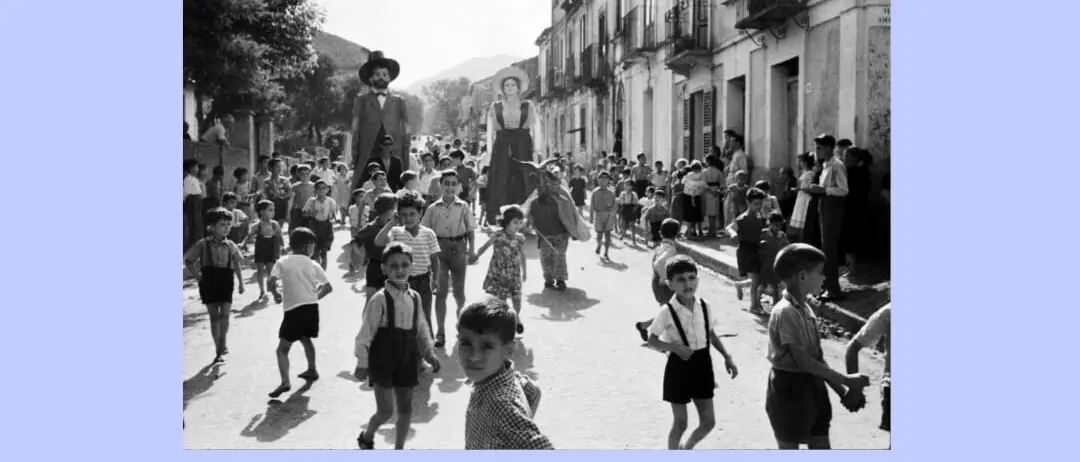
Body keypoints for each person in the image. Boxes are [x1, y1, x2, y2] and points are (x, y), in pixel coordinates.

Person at [765, 243, 870, 449]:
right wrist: (846, 379)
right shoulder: (786, 312)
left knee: (821, 443)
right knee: (789, 447)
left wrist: (842, 391)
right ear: (802, 277)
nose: (824, 278)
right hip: (789, 390)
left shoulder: (805, 308)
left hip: (813, 387)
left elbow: (817, 359)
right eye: (820, 273)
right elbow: (804, 362)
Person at [354, 243, 441, 450]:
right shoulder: (379, 300)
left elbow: (421, 326)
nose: (400, 270)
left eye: (404, 265)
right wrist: (362, 361)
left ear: (411, 266)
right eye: (393, 266)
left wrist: (429, 352)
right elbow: (366, 332)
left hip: (407, 359)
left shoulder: (415, 297)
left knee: (405, 408)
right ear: (384, 268)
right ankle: (367, 436)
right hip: (383, 359)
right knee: (385, 411)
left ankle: (399, 448)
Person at [646, 256, 739, 450]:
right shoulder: (667, 311)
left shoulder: (705, 306)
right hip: (678, 368)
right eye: (680, 280)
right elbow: (651, 339)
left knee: (708, 421)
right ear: (670, 284)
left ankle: (686, 449)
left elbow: (711, 334)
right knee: (680, 423)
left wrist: (727, 357)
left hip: (702, 365)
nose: (688, 284)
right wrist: (674, 348)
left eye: (691, 278)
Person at [458, 300, 552, 449]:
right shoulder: (500, 379)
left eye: (487, 346)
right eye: (466, 343)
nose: (474, 356)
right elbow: (534, 391)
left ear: (508, 350)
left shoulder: (502, 406)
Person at [266, 227, 332, 398]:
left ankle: (285, 382)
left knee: (282, 349)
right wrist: (314, 297)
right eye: (313, 246)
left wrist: (276, 294)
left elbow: (271, 282)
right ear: (307, 245)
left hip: (293, 310)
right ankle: (312, 369)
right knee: (306, 338)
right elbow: (328, 287)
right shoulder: (312, 263)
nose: (314, 250)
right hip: (311, 308)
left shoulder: (283, 261)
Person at [420, 170, 477, 348]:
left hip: (459, 248)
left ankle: (462, 329)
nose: (450, 187)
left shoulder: (464, 207)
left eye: (454, 184)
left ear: (458, 186)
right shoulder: (432, 208)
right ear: (440, 185)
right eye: (447, 183)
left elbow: (470, 229)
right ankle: (441, 332)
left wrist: (472, 249)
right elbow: (424, 232)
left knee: (459, 294)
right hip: (439, 251)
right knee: (441, 292)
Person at [375, 191, 441, 339]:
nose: (408, 218)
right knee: (403, 317)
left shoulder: (428, 233)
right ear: (398, 215)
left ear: (420, 213)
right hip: (402, 283)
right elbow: (378, 241)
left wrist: (436, 279)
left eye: (412, 214)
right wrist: (391, 222)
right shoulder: (396, 232)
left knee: (424, 315)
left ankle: (427, 349)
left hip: (423, 281)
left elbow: (435, 258)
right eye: (403, 215)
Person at [183, 208, 245, 364]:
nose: (226, 228)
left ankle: (222, 343)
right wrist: (197, 276)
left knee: (225, 314)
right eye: (222, 224)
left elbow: (238, 261)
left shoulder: (230, 244)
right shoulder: (202, 244)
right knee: (214, 316)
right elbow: (189, 260)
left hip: (226, 280)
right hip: (208, 281)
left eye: (228, 224)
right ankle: (218, 348)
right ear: (211, 227)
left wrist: (241, 282)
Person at [484, 66, 540, 225]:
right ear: (502, 88)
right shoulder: (495, 107)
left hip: (523, 144)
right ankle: (501, 217)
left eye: (512, 85)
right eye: (506, 85)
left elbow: (535, 128)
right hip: (502, 145)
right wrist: (489, 153)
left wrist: (537, 150)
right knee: (501, 179)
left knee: (524, 178)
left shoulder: (528, 106)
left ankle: (526, 218)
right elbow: (490, 132)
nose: (509, 88)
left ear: (518, 88)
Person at [351, 51, 410, 196]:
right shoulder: (361, 100)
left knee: (396, 187)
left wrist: (405, 152)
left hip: (394, 150)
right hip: (368, 151)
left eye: (384, 74)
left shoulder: (399, 101)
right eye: (377, 75)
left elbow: (407, 129)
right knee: (364, 188)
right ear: (370, 78)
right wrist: (355, 154)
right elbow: (355, 128)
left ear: (389, 77)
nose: (381, 78)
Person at [470, 205, 528, 334]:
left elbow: (523, 256)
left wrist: (525, 272)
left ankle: (516, 317)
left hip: (514, 274)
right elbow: (485, 246)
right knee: (499, 301)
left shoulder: (520, 238)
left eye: (520, 223)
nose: (518, 226)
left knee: (517, 299)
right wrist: (476, 255)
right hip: (498, 273)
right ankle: (501, 323)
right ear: (507, 221)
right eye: (515, 222)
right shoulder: (498, 235)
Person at [806, 134, 848, 301]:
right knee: (825, 247)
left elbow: (844, 190)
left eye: (820, 148)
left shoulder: (837, 166)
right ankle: (827, 284)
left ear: (829, 148)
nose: (817, 151)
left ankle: (833, 289)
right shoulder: (825, 165)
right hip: (824, 204)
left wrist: (824, 190)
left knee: (830, 248)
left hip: (833, 206)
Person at [633, 218, 683, 342]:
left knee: (672, 311)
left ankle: (644, 326)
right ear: (676, 234)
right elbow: (659, 264)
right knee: (674, 312)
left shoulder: (662, 246)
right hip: (664, 285)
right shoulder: (670, 249)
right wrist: (666, 280)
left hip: (657, 284)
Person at [845, 303, 891, 432]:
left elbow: (852, 348)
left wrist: (854, 390)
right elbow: (852, 348)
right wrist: (854, 388)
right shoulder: (888, 313)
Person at [527, 170, 572, 291]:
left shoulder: (563, 200)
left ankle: (560, 279)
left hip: (560, 234)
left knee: (559, 257)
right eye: (552, 185)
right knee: (545, 258)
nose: (555, 187)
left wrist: (569, 232)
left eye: (557, 185)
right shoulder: (534, 202)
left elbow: (569, 217)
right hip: (544, 235)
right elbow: (529, 216)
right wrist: (530, 220)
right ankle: (548, 279)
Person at [727, 187, 768, 315]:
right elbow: (729, 227)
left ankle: (741, 286)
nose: (758, 206)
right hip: (746, 250)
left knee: (759, 279)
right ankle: (753, 306)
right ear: (748, 203)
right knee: (755, 280)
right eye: (756, 204)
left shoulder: (761, 217)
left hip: (758, 250)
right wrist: (733, 234)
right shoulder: (742, 218)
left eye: (760, 204)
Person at [356, 193, 399, 299]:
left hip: (391, 266)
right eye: (395, 208)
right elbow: (355, 242)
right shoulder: (371, 228)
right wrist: (362, 257)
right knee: (371, 299)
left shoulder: (397, 227)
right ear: (389, 210)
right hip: (375, 266)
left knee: (389, 299)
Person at [840, 147, 873, 276]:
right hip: (849, 209)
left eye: (848, 157)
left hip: (856, 211)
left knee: (851, 238)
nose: (845, 159)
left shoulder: (860, 173)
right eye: (845, 156)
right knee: (847, 238)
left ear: (856, 159)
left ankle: (853, 267)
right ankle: (850, 266)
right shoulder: (849, 171)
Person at [246, 200, 284, 299]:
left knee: (270, 269)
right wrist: (243, 243)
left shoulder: (275, 224)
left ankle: (271, 287)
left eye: (273, 210)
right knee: (260, 270)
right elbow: (249, 236)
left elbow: (279, 236)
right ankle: (262, 290)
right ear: (262, 211)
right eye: (270, 210)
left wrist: (282, 246)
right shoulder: (257, 225)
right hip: (260, 248)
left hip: (271, 248)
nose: (273, 212)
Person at [303, 180, 338, 270]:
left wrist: (333, 217)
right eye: (318, 188)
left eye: (323, 188)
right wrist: (311, 213)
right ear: (315, 190)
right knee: (315, 251)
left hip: (326, 227)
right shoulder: (311, 201)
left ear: (327, 189)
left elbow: (334, 214)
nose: (321, 190)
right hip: (315, 227)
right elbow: (304, 213)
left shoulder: (331, 201)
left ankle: (323, 270)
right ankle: (317, 269)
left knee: (324, 251)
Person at [758, 212, 790, 305]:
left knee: (776, 285)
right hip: (765, 263)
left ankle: (776, 304)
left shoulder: (782, 235)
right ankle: (756, 302)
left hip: (777, 264)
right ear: (770, 223)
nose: (778, 228)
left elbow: (787, 247)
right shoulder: (763, 233)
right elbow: (757, 247)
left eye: (780, 225)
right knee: (762, 284)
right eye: (776, 225)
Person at [788, 153, 816, 242]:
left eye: (801, 161)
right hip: (801, 198)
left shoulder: (810, 174)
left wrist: (800, 189)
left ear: (806, 162)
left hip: (805, 199)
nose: (799, 163)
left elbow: (810, 189)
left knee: (803, 220)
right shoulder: (805, 173)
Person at [723, 134, 750, 228]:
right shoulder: (734, 154)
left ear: (738, 143)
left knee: (735, 208)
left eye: (732, 142)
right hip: (731, 183)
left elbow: (744, 171)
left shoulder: (741, 155)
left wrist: (739, 182)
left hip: (736, 185)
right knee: (729, 207)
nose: (730, 144)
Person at [589, 170, 617, 257]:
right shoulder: (595, 192)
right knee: (599, 234)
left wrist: (612, 214)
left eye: (606, 178)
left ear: (609, 180)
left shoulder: (611, 193)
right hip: (598, 215)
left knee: (608, 235)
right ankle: (599, 244)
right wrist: (590, 216)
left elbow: (614, 206)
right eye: (601, 178)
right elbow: (591, 205)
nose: (603, 180)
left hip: (608, 215)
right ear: (598, 180)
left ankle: (606, 252)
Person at [262, 158, 292, 229]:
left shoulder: (285, 180)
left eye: (280, 166)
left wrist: (282, 197)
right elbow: (266, 194)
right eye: (277, 166)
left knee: (279, 227)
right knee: (270, 226)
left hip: (282, 205)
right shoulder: (266, 181)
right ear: (270, 168)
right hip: (271, 206)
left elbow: (290, 193)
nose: (279, 168)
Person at [183, 159, 205, 251]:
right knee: (194, 225)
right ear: (191, 168)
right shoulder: (188, 179)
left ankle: (197, 245)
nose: (197, 169)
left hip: (197, 202)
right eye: (195, 167)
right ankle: (193, 246)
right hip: (192, 202)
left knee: (198, 224)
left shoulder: (194, 179)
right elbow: (186, 194)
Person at [702, 153, 725, 237]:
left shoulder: (704, 172)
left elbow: (703, 184)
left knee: (709, 212)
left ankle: (711, 230)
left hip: (707, 193)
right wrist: (717, 191)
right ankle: (713, 230)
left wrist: (710, 191)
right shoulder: (718, 171)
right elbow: (722, 184)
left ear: (707, 161)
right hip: (716, 191)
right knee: (714, 212)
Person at [616, 180, 640, 245]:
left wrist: (634, 209)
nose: (626, 186)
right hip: (624, 210)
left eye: (628, 185)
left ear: (631, 187)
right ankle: (623, 234)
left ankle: (633, 239)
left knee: (632, 225)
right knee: (624, 224)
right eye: (626, 185)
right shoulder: (622, 193)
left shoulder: (634, 194)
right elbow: (619, 200)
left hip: (631, 210)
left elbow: (637, 204)